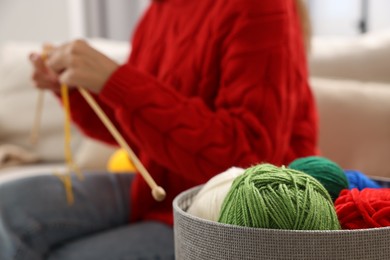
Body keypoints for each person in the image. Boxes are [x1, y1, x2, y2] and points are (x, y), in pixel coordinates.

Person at [0, 0, 317, 259]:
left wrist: (118, 82)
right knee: (8, 205)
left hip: (229, 216)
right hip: (156, 188)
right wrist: (79, 87)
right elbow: (142, 131)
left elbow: (249, 161)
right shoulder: (159, 10)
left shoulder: (261, 8)